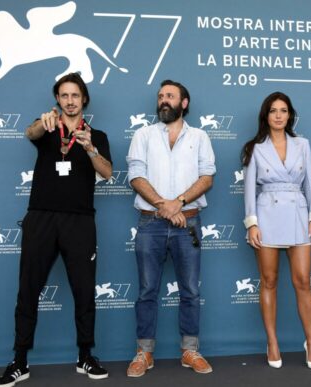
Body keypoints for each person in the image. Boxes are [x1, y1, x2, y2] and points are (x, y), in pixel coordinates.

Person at [0, 73, 113, 387]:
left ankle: (85, 356)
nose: (70, 101)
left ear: (83, 99)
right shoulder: (46, 126)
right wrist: (41, 123)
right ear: (57, 100)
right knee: (28, 289)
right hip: (41, 218)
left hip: (80, 221)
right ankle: (19, 361)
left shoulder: (96, 135)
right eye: (64, 95)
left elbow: (108, 173)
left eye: (75, 95)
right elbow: (28, 132)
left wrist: (89, 149)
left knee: (85, 291)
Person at [126, 80, 216, 377]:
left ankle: (190, 350)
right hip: (150, 222)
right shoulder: (143, 135)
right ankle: (144, 352)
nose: (164, 100)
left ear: (184, 102)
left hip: (187, 222)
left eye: (170, 96)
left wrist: (177, 203)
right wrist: (163, 206)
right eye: (161, 96)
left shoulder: (200, 136)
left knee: (190, 290)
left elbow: (207, 177)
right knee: (147, 290)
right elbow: (136, 176)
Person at [242, 92, 311, 370]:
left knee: (302, 281)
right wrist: (251, 222)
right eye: (273, 110)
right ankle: (272, 342)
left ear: (290, 115)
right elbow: (249, 187)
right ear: (266, 115)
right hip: (267, 215)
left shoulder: (303, 144)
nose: (278, 115)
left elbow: (310, 181)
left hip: (298, 214)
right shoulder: (255, 147)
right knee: (269, 281)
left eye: (283, 110)